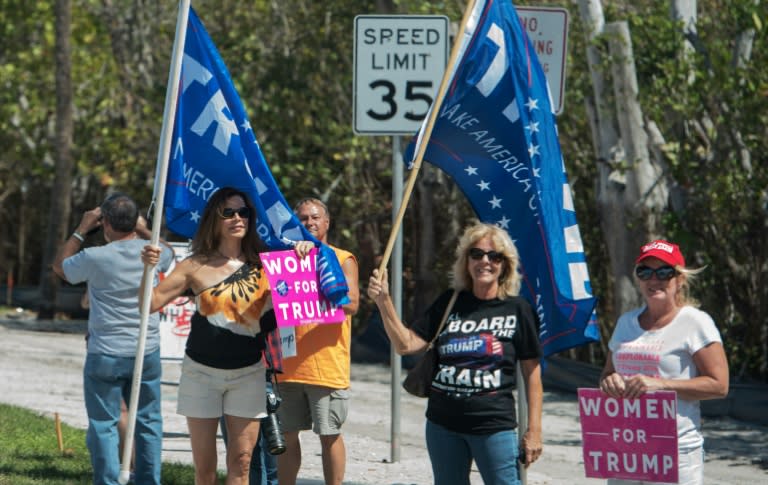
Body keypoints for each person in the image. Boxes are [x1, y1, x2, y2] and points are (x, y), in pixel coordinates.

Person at [140, 187, 307, 485]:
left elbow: (303, 303)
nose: (237, 218)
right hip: (201, 373)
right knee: (205, 469)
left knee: (242, 462)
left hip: (249, 373)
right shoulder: (195, 264)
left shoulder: (269, 264)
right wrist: (147, 269)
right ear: (214, 220)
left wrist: (302, 256)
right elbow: (148, 304)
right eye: (228, 212)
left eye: (243, 212)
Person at [367, 222, 543, 485]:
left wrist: (535, 430)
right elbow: (406, 345)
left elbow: (532, 373)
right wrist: (384, 301)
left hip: (493, 425)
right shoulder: (450, 300)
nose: (485, 261)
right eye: (477, 254)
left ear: (504, 264)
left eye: (494, 256)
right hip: (442, 424)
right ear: (466, 261)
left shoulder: (518, 309)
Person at [53, 193, 173, 485]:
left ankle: (107, 481)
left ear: (104, 222)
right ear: (135, 221)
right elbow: (169, 252)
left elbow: (60, 267)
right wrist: (145, 228)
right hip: (146, 349)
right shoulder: (152, 253)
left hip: (105, 351)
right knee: (148, 421)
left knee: (103, 423)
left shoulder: (94, 257)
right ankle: (148, 480)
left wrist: (82, 228)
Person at [599, 239, 729, 485]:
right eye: (645, 271)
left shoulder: (696, 322)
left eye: (664, 272)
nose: (653, 279)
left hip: (675, 450)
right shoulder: (625, 323)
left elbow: (719, 385)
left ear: (680, 279)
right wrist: (610, 382)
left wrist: (660, 384)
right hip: (626, 447)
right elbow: (607, 374)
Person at [276, 197, 359, 485]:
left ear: (327, 222)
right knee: (286, 435)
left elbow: (352, 305)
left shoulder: (342, 258)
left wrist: (315, 276)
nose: (309, 223)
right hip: (288, 365)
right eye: (302, 218)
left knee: (329, 434)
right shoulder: (284, 258)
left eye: (315, 217)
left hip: (327, 364)